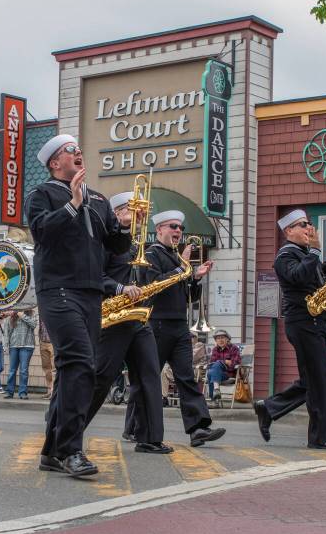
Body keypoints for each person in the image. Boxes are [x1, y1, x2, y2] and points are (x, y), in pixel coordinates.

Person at [29, 134, 132, 478]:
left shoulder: (99, 199)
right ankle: (70, 449)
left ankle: (51, 451)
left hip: (90, 293)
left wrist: (128, 226)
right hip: (57, 289)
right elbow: (42, 232)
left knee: (73, 371)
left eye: (78, 149)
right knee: (80, 363)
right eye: (69, 151)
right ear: (54, 163)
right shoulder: (42, 194)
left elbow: (115, 247)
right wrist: (72, 204)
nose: (78, 154)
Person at [254, 209, 326, 450]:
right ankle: (322, 437)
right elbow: (298, 277)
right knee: (319, 381)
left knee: (315, 379)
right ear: (289, 231)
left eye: (309, 224)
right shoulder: (284, 256)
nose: (309, 228)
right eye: (302, 224)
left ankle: (269, 407)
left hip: (315, 321)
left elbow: (319, 280)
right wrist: (317, 253)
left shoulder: (306, 254)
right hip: (302, 322)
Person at [85, 190, 171, 455]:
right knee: (101, 377)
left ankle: (149, 438)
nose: (141, 215)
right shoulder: (106, 242)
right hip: (113, 318)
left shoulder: (137, 245)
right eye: (135, 210)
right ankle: (65, 428)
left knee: (149, 375)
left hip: (138, 318)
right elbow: (94, 276)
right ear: (119, 213)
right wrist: (120, 288)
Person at [140, 210, 224, 448]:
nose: (178, 231)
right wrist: (183, 269)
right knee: (147, 377)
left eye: (180, 228)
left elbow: (190, 297)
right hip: (157, 323)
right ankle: (135, 426)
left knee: (186, 376)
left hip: (178, 324)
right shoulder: (150, 254)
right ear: (160, 230)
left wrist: (196, 278)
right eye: (173, 227)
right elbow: (153, 285)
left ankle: (198, 429)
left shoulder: (177, 258)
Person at [3, 309, 36, 399]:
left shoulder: (32, 313)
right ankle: (9, 392)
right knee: (12, 370)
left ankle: (22, 393)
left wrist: (22, 315)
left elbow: (34, 324)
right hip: (14, 346)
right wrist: (5, 346)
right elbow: (6, 332)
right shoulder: (11, 315)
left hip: (27, 345)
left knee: (23, 370)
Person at [206, 329, 241, 401]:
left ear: (227, 339)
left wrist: (221, 363)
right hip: (218, 375)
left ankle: (214, 400)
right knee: (210, 372)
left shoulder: (234, 348)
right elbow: (212, 363)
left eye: (222, 338)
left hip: (229, 374)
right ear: (216, 341)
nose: (220, 340)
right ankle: (216, 391)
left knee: (212, 371)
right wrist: (225, 362)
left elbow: (235, 363)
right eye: (218, 338)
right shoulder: (215, 349)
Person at [38, 318, 55, 399]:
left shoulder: (53, 311)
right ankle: (49, 390)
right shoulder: (42, 312)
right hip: (43, 342)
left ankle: (54, 391)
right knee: (46, 367)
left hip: (53, 343)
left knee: (54, 368)